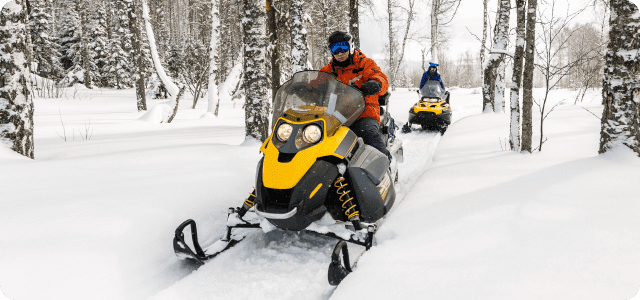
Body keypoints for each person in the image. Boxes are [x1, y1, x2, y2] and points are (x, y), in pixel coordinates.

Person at [319, 31, 392, 162]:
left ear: (351, 46)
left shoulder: (365, 64)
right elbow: (316, 86)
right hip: (336, 116)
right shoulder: (327, 71)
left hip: (364, 113)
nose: (340, 53)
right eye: (335, 49)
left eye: (343, 47)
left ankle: (384, 163)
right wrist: (302, 89)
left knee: (367, 132)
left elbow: (381, 78)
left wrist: (375, 83)